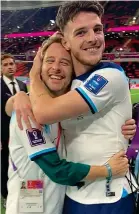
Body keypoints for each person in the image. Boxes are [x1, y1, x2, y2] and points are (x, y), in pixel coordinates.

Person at [6, 37, 129, 214]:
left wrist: (124, 127)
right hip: (27, 208)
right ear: (39, 66)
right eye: (49, 60)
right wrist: (107, 170)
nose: (56, 67)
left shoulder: (61, 111)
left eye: (64, 62)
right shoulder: (26, 111)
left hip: (58, 204)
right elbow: (57, 170)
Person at [1, 54, 27, 207]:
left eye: (12, 63)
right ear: (0, 68)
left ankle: (22, 191)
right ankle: (5, 194)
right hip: (4, 134)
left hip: (21, 133)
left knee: (22, 162)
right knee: (4, 165)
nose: (10, 66)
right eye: (5, 64)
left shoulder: (22, 85)